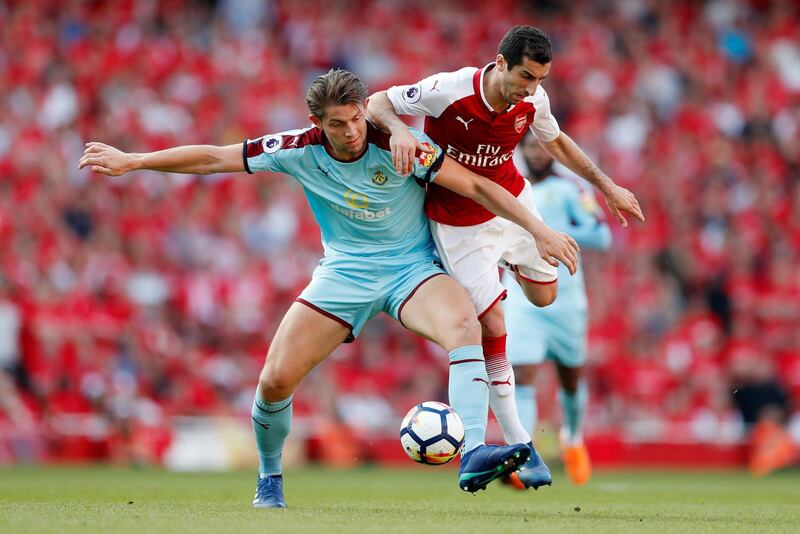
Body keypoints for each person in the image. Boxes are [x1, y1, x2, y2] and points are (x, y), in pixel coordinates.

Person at [78, 69, 580, 508]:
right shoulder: (297, 150)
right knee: (274, 381)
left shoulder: (402, 145)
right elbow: (215, 157)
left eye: (355, 119)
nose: (349, 132)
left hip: (413, 269)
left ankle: (472, 453)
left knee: (464, 324)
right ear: (318, 123)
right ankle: (269, 478)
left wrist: (537, 228)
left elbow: (475, 185)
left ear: (365, 110)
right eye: (336, 125)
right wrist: (135, 161)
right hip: (345, 275)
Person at [367, 25, 644, 489]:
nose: (530, 88)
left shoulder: (534, 100)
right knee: (491, 327)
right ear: (499, 63)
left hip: (514, 207)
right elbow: (378, 102)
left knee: (543, 297)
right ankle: (522, 444)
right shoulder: (448, 90)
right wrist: (397, 130)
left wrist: (607, 185)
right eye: (523, 77)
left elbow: (555, 141)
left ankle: (505, 275)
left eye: (538, 79)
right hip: (459, 227)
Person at [501, 134, 611, 487]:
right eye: (529, 147)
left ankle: (573, 438)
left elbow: (602, 236)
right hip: (521, 293)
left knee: (570, 377)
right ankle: (523, 454)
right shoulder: (509, 186)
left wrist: (550, 233)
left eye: (541, 147)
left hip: (567, 297)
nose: (535, 153)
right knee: (523, 373)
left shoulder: (572, 189)